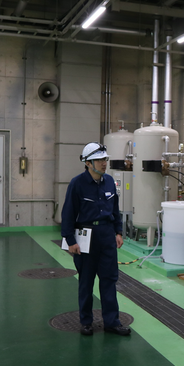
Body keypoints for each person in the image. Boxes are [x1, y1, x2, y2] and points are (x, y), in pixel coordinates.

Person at [61, 142, 131, 336]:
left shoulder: (109, 182)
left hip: (107, 236)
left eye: (105, 159)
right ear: (88, 163)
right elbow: (68, 213)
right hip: (86, 237)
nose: (104, 163)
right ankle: (86, 322)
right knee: (86, 282)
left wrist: (118, 232)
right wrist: (70, 240)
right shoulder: (77, 184)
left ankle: (112, 322)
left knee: (109, 280)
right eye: (99, 160)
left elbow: (115, 209)